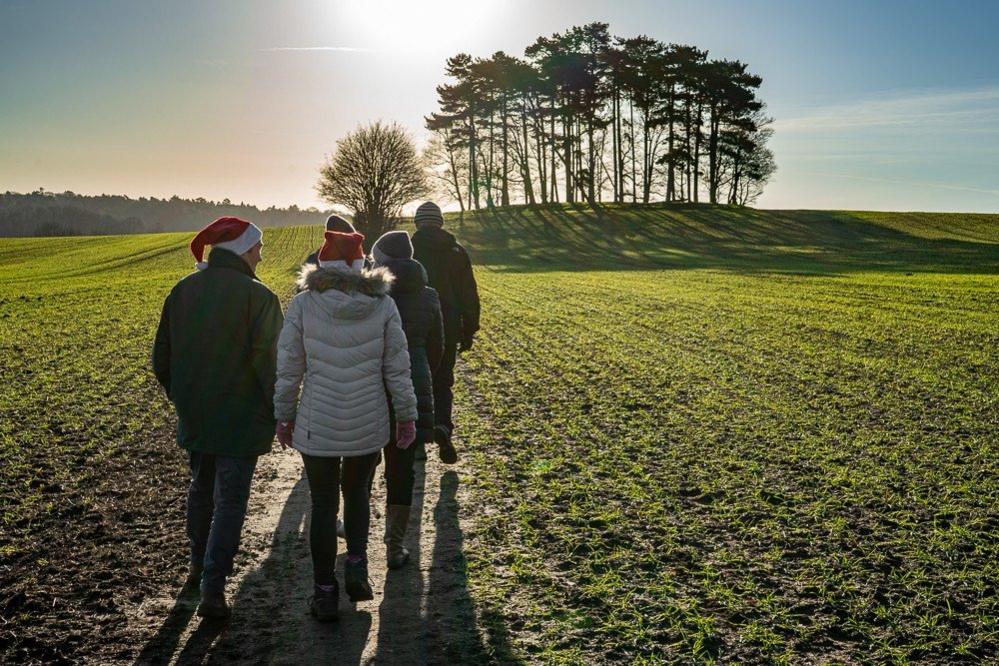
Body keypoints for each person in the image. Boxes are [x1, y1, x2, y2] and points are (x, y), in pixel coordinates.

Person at [274, 230, 417, 622]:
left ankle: (323, 591)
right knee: (358, 493)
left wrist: (284, 415)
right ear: (361, 264)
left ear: (323, 263)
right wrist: (406, 415)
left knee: (322, 504)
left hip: (317, 422)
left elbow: (289, 367)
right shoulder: (383, 305)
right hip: (367, 420)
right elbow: (398, 369)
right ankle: (355, 564)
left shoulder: (303, 305)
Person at [152, 217, 283, 620]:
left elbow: (162, 359)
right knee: (230, 500)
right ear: (244, 249)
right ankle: (213, 585)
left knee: (201, 488)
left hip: (197, 414)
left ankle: (196, 564)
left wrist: (184, 397)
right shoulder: (258, 297)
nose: (261, 255)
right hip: (241, 419)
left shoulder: (182, 291)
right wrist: (278, 412)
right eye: (258, 248)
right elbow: (271, 365)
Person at [369, 230, 444, 569]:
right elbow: (437, 349)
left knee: (361, 462)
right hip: (412, 383)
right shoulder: (429, 295)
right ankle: (394, 544)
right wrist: (420, 372)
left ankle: (352, 527)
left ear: (381, 260)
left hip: (369, 386)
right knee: (402, 468)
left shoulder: (369, 292)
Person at [410, 202, 480, 464]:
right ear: (440, 223)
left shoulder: (410, 250)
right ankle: (442, 426)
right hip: (448, 323)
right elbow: (468, 293)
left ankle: (416, 437)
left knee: (414, 379)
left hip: (414, 325)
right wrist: (469, 327)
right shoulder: (456, 251)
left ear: (418, 223)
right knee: (442, 379)